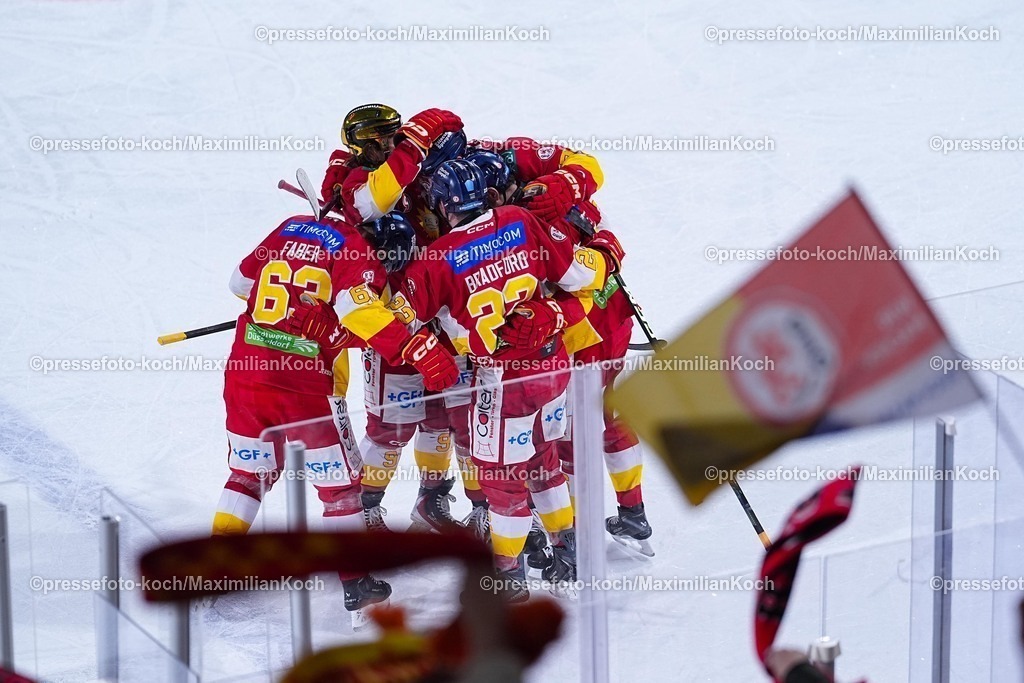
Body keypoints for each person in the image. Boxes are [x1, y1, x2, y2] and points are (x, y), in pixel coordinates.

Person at [212, 210, 459, 616]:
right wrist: (416, 346)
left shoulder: (292, 224)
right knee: (341, 489)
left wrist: (296, 303)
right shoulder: (358, 254)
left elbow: (240, 284)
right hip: (303, 384)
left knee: (247, 475)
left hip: (245, 371)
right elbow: (362, 313)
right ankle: (356, 582)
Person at [400, 159, 624, 599]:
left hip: (501, 384)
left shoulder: (436, 260)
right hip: (554, 369)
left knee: (503, 484)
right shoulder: (519, 220)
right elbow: (577, 276)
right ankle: (569, 553)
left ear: (444, 207)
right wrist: (606, 250)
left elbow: (399, 320)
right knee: (544, 464)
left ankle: (508, 577)